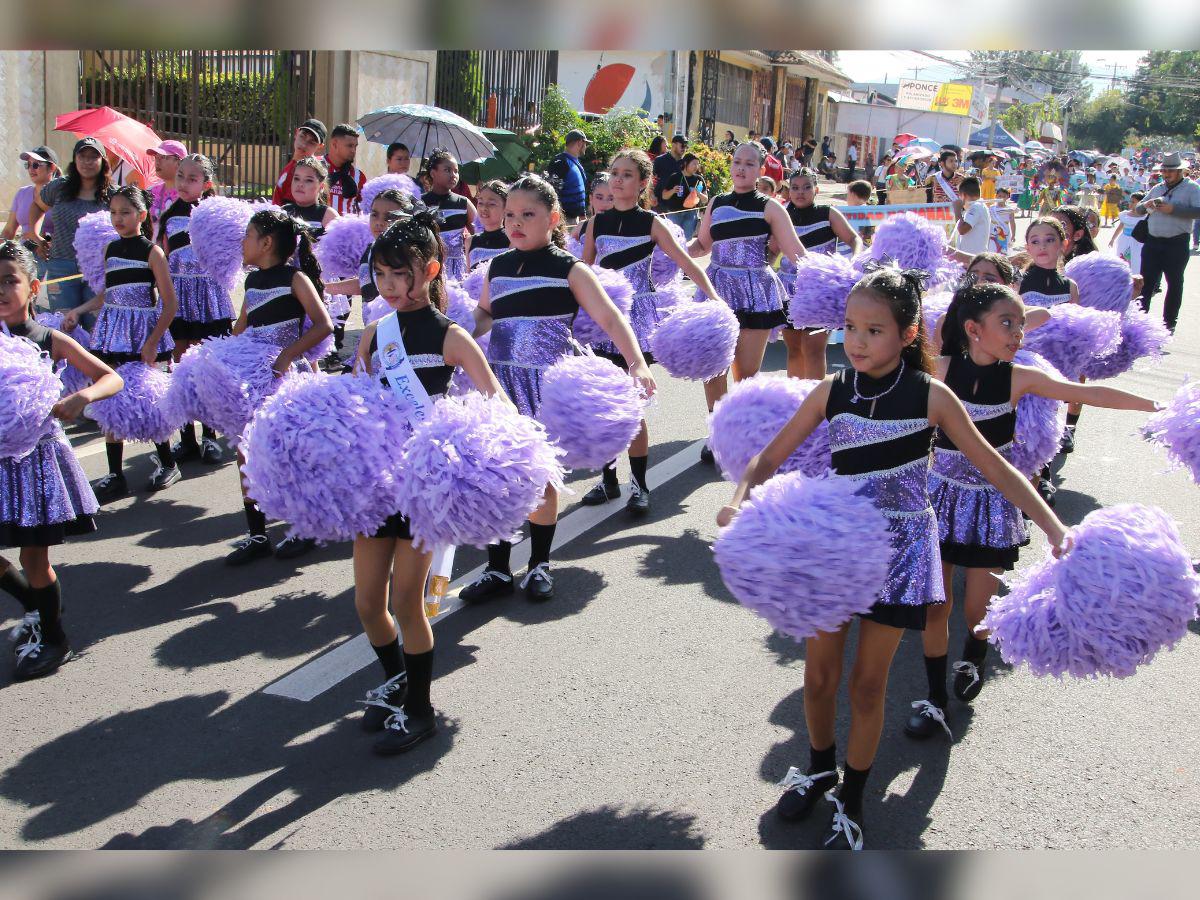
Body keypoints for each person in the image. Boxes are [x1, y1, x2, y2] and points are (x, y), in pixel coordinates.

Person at [719, 266, 1068, 849]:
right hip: (836, 547)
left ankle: (852, 797)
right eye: (851, 328)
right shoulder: (833, 388)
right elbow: (766, 458)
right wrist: (736, 502)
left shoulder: (932, 396)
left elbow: (999, 468)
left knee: (866, 684)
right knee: (819, 677)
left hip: (902, 553)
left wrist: (1055, 527)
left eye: (874, 330)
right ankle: (820, 766)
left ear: (909, 334)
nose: (856, 342)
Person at [909, 281, 1156, 735]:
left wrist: (1155, 406)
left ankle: (974, 656)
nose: (1019, 333)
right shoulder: (938, 371)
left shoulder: (1019, 377)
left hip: (991, 505)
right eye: (1008, 323)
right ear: (972, 329)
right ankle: (934, 697)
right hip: (937, 499)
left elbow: (1090, 394)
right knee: (934, 607)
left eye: (1022, 324)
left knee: (978, 611)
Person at [459, 173, 655, 603]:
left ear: (553, 219)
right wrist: (453, 334)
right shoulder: (499, 266)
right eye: (510, 214)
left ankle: (539, 563)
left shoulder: (570, 267)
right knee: (500, 475)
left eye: (528, 214)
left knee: (540, 478)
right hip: (500, 384)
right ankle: (497, 569)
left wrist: (637, 364)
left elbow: (609, 318)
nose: (515, 222)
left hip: (544, 385)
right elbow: (485, 316)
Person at [351, 209, 504, 754]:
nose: (389, 287)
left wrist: (470, 451)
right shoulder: (375, 334)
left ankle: (420, 709)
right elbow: (357, 404)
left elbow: (497, 406)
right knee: (368, 603)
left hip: (422, 486)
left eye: (401, 274)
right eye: (381, 275)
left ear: (432, 270)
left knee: (407, 601)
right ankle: (396, 679)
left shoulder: (453, 336)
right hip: (377, 484)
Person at [0, 240, 123, 680]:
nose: (0, 290)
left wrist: (81, 398)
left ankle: (55, 639)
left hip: (36, 463)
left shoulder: (49, 339)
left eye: (8, 281)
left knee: (35, 559)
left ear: (32, 287)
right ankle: (36, 604)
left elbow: (110, 377)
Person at [580, 149, 724, 514]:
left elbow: (687, 264)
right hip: (602, 323)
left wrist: (714, 298)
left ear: (643, 182)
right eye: (614, 173)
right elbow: (583, 273)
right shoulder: (597, 223)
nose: (617, 180)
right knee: (606, 404)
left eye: (627, 174)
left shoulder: (652, 224)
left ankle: (639, 486)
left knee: (632, 404)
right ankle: (608, 479)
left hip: (637, 321)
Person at [224, 209, 333, 566]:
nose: (242, 242)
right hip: (255, 376)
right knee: (246, 451)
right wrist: (218, 353)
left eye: (247, 235)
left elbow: (323, 325)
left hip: (287, 377)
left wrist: (286, 357)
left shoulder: (295, 278)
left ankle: (303, 527)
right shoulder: (252, 282)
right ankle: (257, 533)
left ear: (266, 243)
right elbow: (242, 325)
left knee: (290, 452)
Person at [688, 142, 808, 463]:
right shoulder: (716, 203)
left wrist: (825, 277)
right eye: (737, 162)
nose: (741, 168)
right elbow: (701, 245)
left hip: (756, 293)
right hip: (717, 289)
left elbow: (795, 251)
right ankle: (717, 432)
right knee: (713, 368)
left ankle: (741, 432)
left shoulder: (771, 207)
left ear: (760, 170)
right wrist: (670, 252)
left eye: (749, 164)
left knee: (745, 373)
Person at [64, 186, 179, 501]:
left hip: (141, 333)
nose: (118, 218)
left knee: (147, 398)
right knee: (109, 398)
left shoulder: (152, 252)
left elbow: (170, 303)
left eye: (125, 212)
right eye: (113, 212)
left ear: (141, 216)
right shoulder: (110, 249)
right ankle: (115, 474)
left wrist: (153, 340)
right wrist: (78, 310)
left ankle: (168, 462)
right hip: (111, 331)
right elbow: (107, 294)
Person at [157, 154, 234, 465]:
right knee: (180, 370)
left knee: (205, 369)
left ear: (207, 184)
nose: (184, 183)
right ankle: (187, 439)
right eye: (181, 176)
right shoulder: (169, 215)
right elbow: (161, 255)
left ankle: (209, 437)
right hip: (178, 299)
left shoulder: (215, 214)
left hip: (209, 299)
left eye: (192, 178)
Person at [774, 168, 860, 380]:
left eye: (806, 187)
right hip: (788, 289)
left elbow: (853, 239)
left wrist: (853, 263)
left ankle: (815, 403)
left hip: (820, 290)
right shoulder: (782, 215)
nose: (800, 192)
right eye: (794, 188)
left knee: (813, 349)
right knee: (794, 349)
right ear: (788, 190)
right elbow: (773, 250)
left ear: (816, 189)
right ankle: (796, 400)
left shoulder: (827, 213)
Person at [27, 137, 113, 328]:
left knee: (95, 326)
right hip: (61, 265)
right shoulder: (59, 187)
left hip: (97, 270)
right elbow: (36, 206)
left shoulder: (113, 195)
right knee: (64, 324)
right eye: (82, 156)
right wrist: (36, 236)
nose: (87, 162)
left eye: (93, 157)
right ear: (75, 160)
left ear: (103, 162)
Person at [1133, 152, 1200, 333]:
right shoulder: (1157, 188)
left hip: (1176, 244)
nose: (1166, 173)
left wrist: (1173, 209)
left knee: (1174, 283)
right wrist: (1147, 206)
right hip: (1153, 243)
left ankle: (1169, 324)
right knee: (1145, 284)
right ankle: (1139, 322)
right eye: (1164, 170)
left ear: (1180, 171)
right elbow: (1138, 209)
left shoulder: (1192, 188)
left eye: (1170, 170)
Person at [421, 149, 476, 283]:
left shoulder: (463, 203)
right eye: (447, 170)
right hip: (430, 267)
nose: (453, 175)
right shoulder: (421, 203)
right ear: (433, 173)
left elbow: (479, 231)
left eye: (456, 171)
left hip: (457, 270)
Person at [4, 146, 59, 280]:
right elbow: (9, 231)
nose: (31, 169)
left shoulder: (61, 195)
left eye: (36, 165)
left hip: (53, 258)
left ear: (52, 168)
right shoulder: (22, 193)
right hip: (25, 259)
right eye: (27, 165)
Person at [271, 119, 327, 206]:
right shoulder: (291, 166)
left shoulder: (312, 172)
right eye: (302, 136)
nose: (304, 144)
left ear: (320, 146)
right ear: (296, 133)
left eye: (311, 142)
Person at [660, 152, 708, 241]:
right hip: (674, 213)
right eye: (694, 164)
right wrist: (673, 190)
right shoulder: (675, 177)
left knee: (686, 239)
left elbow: (705, 200)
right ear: (686, 163)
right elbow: (664, 196)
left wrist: (698, 193)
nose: (696, 167)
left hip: (691, 213)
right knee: (673, 239)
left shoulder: (699, 179)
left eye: (697, 164)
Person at [324, 124, 368, 217]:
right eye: (349, 146)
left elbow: (364, 209)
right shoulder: (315, 167)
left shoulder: (359, 176)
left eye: (355, 146)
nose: (353, 150)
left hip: (346, 230)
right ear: (334, 144)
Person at [548, 129, 591, 224]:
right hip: (563, 220)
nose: (586, 147)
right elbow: (553, 192)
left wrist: (582, 215)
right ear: (580, 143)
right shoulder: (561, 163)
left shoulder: (573, 162)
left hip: (573, 218)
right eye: (585, 144)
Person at [466, 180, 511, 269]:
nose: (484, 208)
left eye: (491, 204)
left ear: (506, 208)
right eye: (480, 203)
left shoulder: (513, 240)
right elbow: (468, 278)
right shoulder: (470, 241)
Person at [146, 140, 187, 236]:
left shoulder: (188, 194)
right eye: (156, 157)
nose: (157, 161)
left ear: (179, 162)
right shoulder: (150, 192)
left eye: (163, 157)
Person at [953, 177, 991, 256]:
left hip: (973, 258)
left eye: (959, 196)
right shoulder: (978, 206)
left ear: (963, 195)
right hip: (972, 257)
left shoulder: (976, 207)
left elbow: (962, 230)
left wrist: (957, 209)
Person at [1111, 190, 1146, 274]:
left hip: (1137, 241)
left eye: (1133, 202)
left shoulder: (1144, 216)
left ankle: (1135, 275)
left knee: (1136, 259)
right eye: (1130, 201)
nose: (1130, 203)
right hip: (1124, 239)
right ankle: (1122, 275)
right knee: (1122, 257)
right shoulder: (1125, 214)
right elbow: (1120, 227)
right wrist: (1112, 239)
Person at [989, 187, 1015, 254]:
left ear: (1007, 197)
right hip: (993, 234)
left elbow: (1012, 222)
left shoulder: (1010, 209)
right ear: (996, 196)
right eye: (1000, 196)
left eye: (1004, 196)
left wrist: (1013, 234)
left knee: (1004, 253)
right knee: (992, 252)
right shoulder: (991, 208)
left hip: (1005, 234)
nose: (1001, 198)